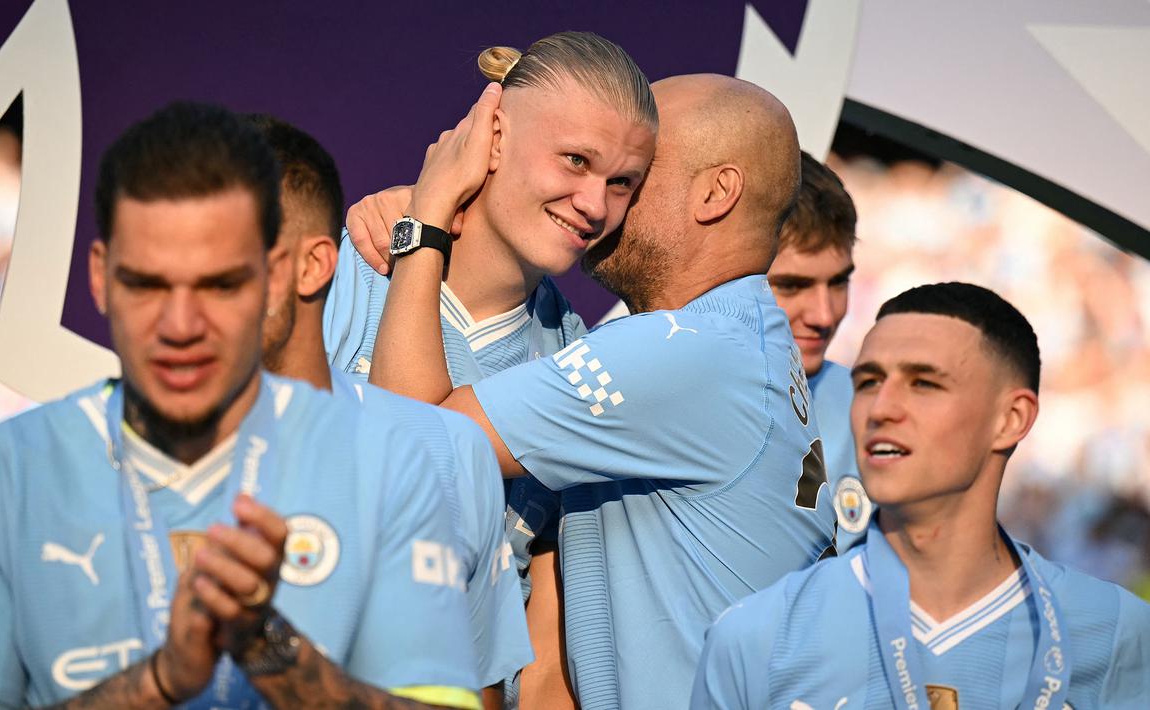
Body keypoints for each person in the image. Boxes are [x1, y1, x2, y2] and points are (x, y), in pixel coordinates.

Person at [0, 102, 480, 709]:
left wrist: (268, 647)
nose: (180, 325)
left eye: (219, 285)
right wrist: (160, 681)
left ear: (270, 280)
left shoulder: (388, 462)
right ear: (101, 278)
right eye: (148, 284)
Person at [361, 73, 835, 708]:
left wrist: (428, 216)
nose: (601, 200)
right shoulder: (740, 343)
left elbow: (418, 439)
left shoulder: (689, 353)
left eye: (634, 176)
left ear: (716, 193)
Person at [333, 31, 658, 709]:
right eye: (574, 160)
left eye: (620, 183)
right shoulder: (346, 269)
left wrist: (422, 220)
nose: (594, 204)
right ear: (493, 135)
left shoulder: (582, 363)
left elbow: (545, 623)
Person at [690, 282, 1150, 709]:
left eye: (924, 383)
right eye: (868, 381)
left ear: (1011, 418)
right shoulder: (755, 639)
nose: (882, 408)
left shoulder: (1118, 635)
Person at [245, 112, 531, 708]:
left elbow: (471, 695)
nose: (189, 304)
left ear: (311, 264)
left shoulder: (453, 454)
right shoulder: (74, 457)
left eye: (229, 265)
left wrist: (266, 651)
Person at [765, 151, 865, 545]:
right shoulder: (655, 396)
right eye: (791, 285)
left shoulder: (872, 409)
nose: (824, 315)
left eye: (839, 282)